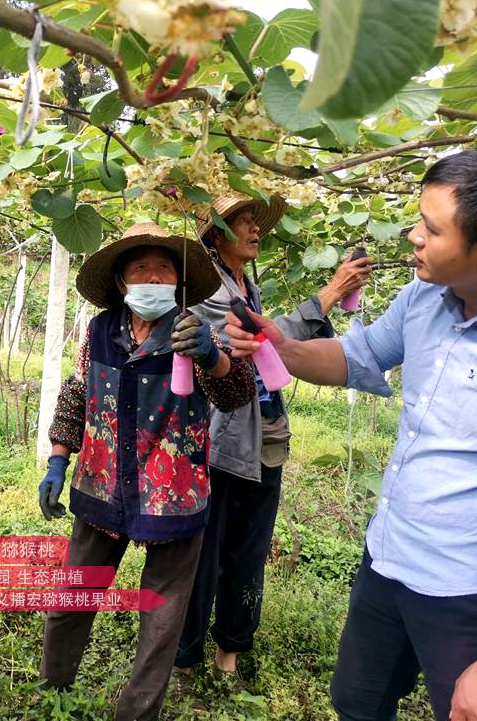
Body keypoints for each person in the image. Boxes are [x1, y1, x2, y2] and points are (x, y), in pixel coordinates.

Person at [222, 151, 477, 721]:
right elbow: (357, 356)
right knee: (358, 704)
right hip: (390, 558)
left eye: (431, 230)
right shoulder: (422, 299)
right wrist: (280, 347)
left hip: (464, 592)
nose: (412, 235)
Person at [36, 222, 255, 721]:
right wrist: (57, 458)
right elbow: (77, 393)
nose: (152, 276)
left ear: (177, 281)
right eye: (141, 267)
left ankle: (137, 713)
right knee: (74, 595)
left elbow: (235, 393)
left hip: (173, 491)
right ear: (121, 281)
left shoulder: (195, 331)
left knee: (161, 616)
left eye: (163, 268)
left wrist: (212, 357)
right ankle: (53, 692)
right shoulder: (98, 331)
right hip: (102, 483)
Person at [174, 194, 372, 683]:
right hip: (219, 444)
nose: (255, 229)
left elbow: (272, 347)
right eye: (242, 222)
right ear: (216, 234)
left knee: (249, 549)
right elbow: (253, 342)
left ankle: (230, 654)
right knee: (205, 552)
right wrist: (327, 294)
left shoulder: (248, 283)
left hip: (265, 437)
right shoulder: (205, 288)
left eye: (255, 222)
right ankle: (184, 658)